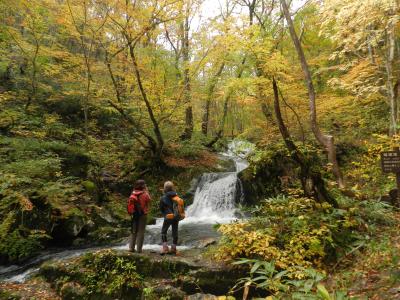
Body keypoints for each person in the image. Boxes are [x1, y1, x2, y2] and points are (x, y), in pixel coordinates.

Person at [159, 181, 184, 255]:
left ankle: (165, 248)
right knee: (175, 232)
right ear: (172, 188)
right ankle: (173, 248)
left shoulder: (163, 198)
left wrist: (164, 214)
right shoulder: (176, 196)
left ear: (165, 189)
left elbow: (161, 208)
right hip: (176, 217)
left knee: (164, 231)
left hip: (168, 217)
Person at [128, 179, 151, 253]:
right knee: (141, 231)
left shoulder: (133, 193)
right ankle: (139, 249)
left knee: (133, 231)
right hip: (142, 214)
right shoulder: (145, 194)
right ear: (143, 186)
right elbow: (149, 200)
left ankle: (131, 248)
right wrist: (147, 191)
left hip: (134, 214)